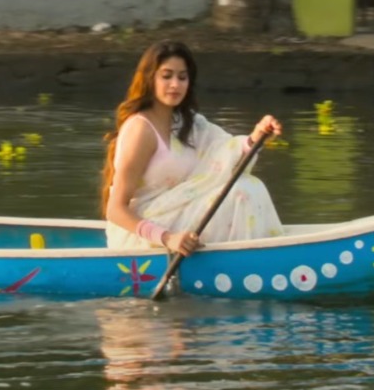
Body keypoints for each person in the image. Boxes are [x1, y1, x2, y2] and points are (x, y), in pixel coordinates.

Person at [101, 41, 284, 254]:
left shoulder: (189, 123)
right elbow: (115, 210)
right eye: (166, 76)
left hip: (180, 216)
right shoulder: (140, 129)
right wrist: (167, 238)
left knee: (250, 186)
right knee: (240, 193)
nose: (175, 85)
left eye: (182, 77)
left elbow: (227, 150)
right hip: (145, 234)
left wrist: (257, 136)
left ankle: (255, 255)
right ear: (150, 78)